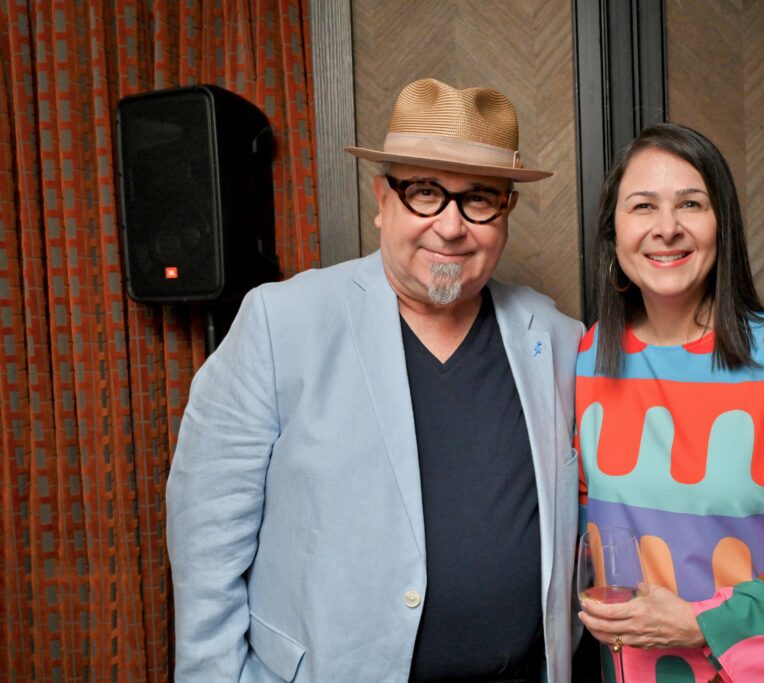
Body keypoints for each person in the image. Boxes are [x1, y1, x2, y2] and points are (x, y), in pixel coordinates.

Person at [166, 78, 584, 682]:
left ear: (506, 211)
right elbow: (207, 548)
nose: (450, 225)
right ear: (381, 199)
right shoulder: (280, 323)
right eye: (424, 193)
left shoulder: (560, 338)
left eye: (480, 199)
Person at [574, 123, 764, 681]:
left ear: (722, 226)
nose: (668, 228)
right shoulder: (591, 356)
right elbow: (582, 525)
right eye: (642, 206)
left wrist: (700, 623)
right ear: (613, 234)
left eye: (691, 203)